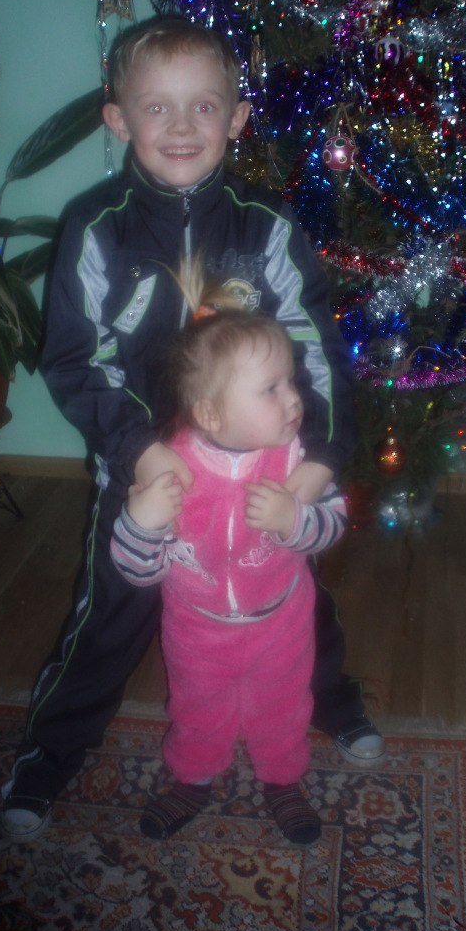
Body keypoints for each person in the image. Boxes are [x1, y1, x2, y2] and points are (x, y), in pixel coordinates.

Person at [1, 15, 383, 840]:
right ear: (118, 119)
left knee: (292, 596)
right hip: (146, 476)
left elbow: (317, 352)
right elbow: (73, 359)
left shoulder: (267, 227)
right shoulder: (94, 227)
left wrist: (319, 459)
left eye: (204, 106)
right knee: (109, 614)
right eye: (157, 107)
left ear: (236, 119)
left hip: (264, 466)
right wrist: (139, 456)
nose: (181, 126)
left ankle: (333, 701)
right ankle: (48, 755)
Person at [110, 304, 349, 844]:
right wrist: (141, 523)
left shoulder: (295, 460)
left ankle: (282, 778)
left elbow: (334, 521)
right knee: (196, 708)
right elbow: (137, 571)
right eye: (270, 389)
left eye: (291, 381)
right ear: (211, 414)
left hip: (281, 621)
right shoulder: (171, 473)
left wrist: (295, 520)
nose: (294, 399)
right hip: (197, 628)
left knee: (284, 705)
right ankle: (193, 776)